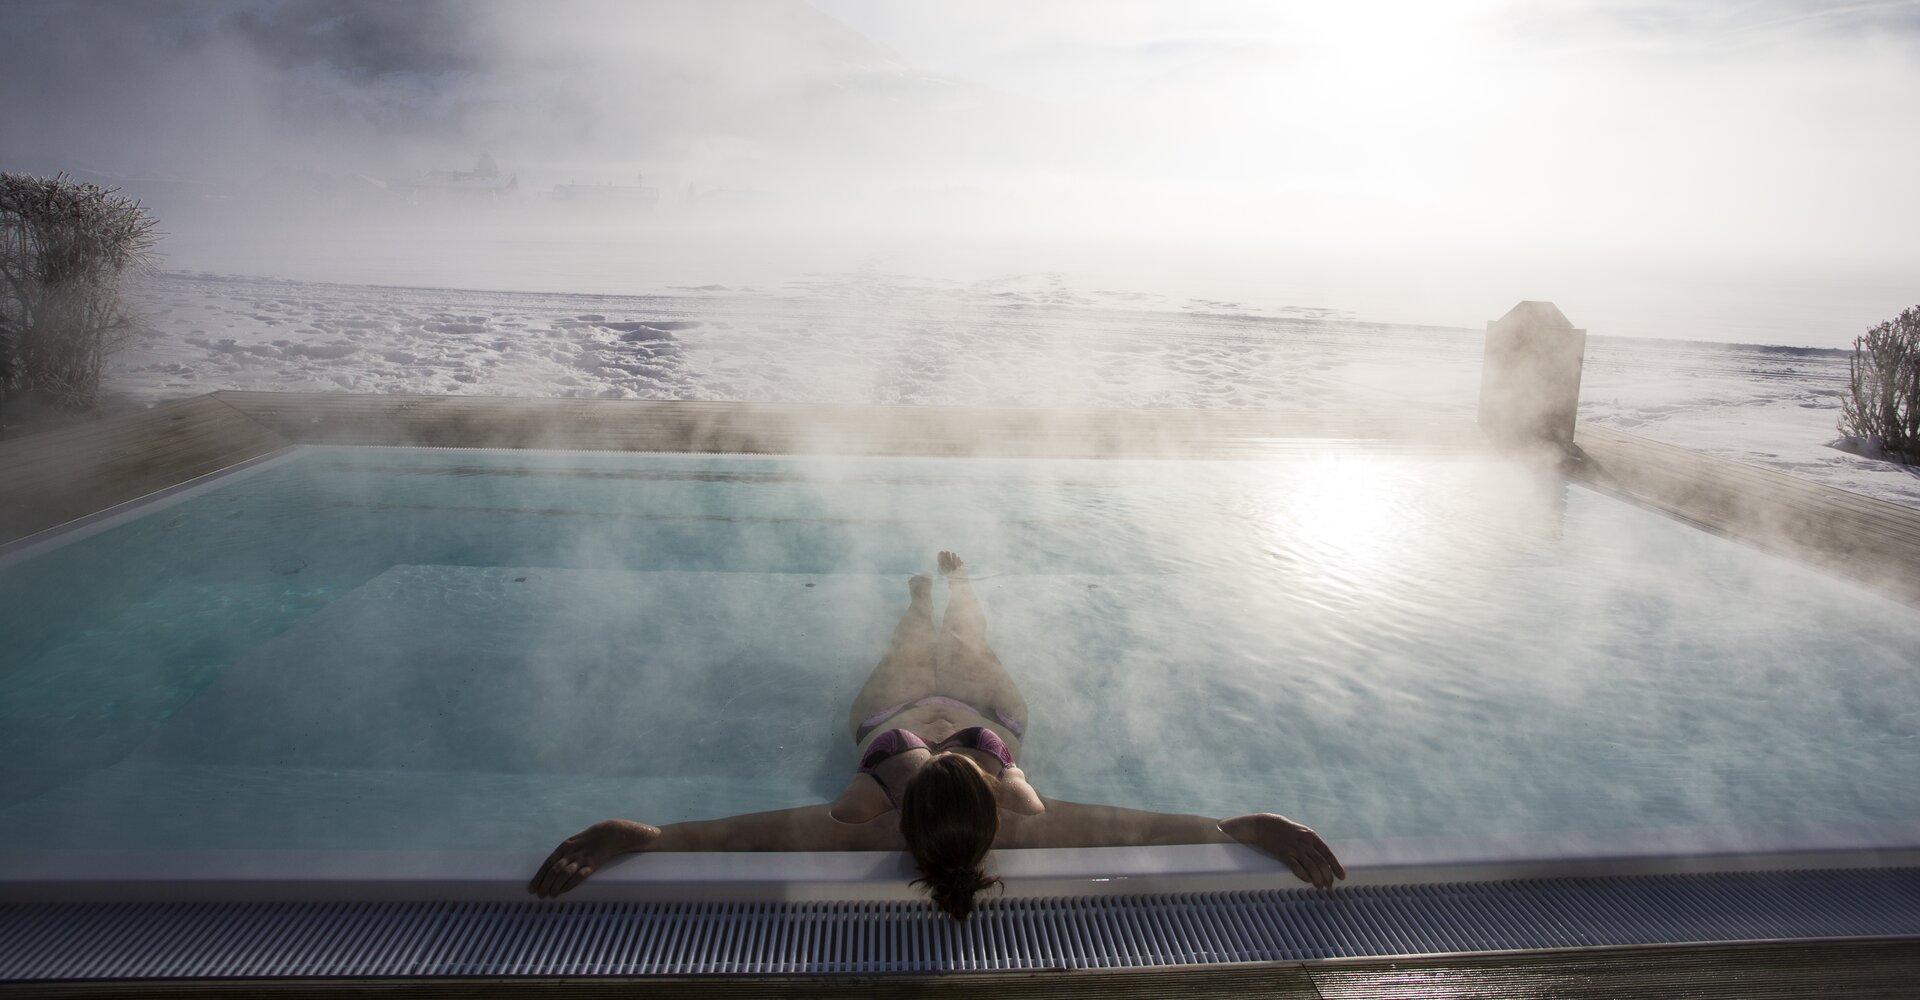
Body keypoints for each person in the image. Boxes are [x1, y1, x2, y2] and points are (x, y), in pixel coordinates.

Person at [530, 551, 1344, 919]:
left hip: (886, 720)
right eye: (967, 766)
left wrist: (636, 836)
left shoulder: (856, 824)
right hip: (997, 718)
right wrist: (1244, 827)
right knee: (972, 646)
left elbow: (725, 837)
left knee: (909, 651)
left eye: (942, 763)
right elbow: (1151, 829)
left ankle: (928, 598)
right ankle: (952, 589)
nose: (947, 745)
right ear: (994, 799)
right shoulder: (1029, 823)